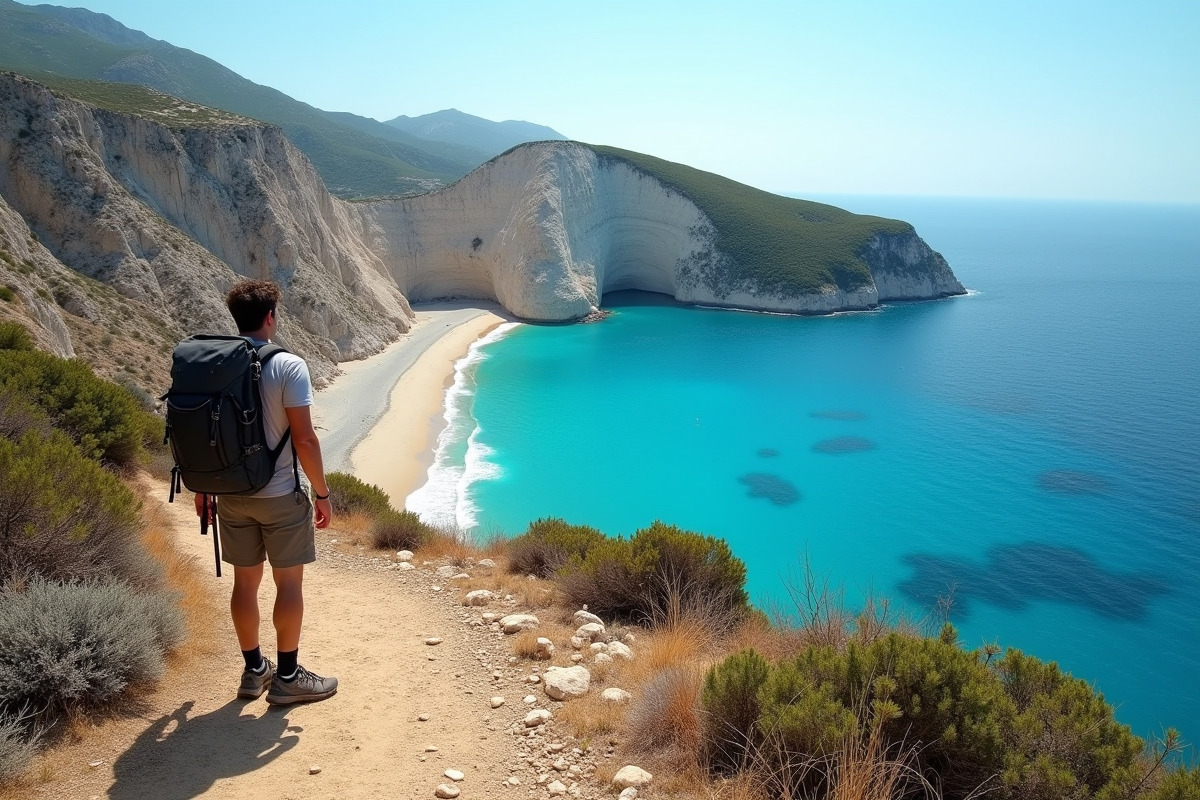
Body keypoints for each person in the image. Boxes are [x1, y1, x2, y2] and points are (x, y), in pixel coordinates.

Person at [194, 279, 337, 705]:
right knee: (288, 584)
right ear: (271, 316)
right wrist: (324, 494)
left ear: (236, 318)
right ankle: (289, 676)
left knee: (245, 582)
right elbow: (306, 440)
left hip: (230, 494)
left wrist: (203, 488)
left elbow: (200, 434)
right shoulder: (288, 366)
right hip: (279, 495)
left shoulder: (214, 365)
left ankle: (254, 670)